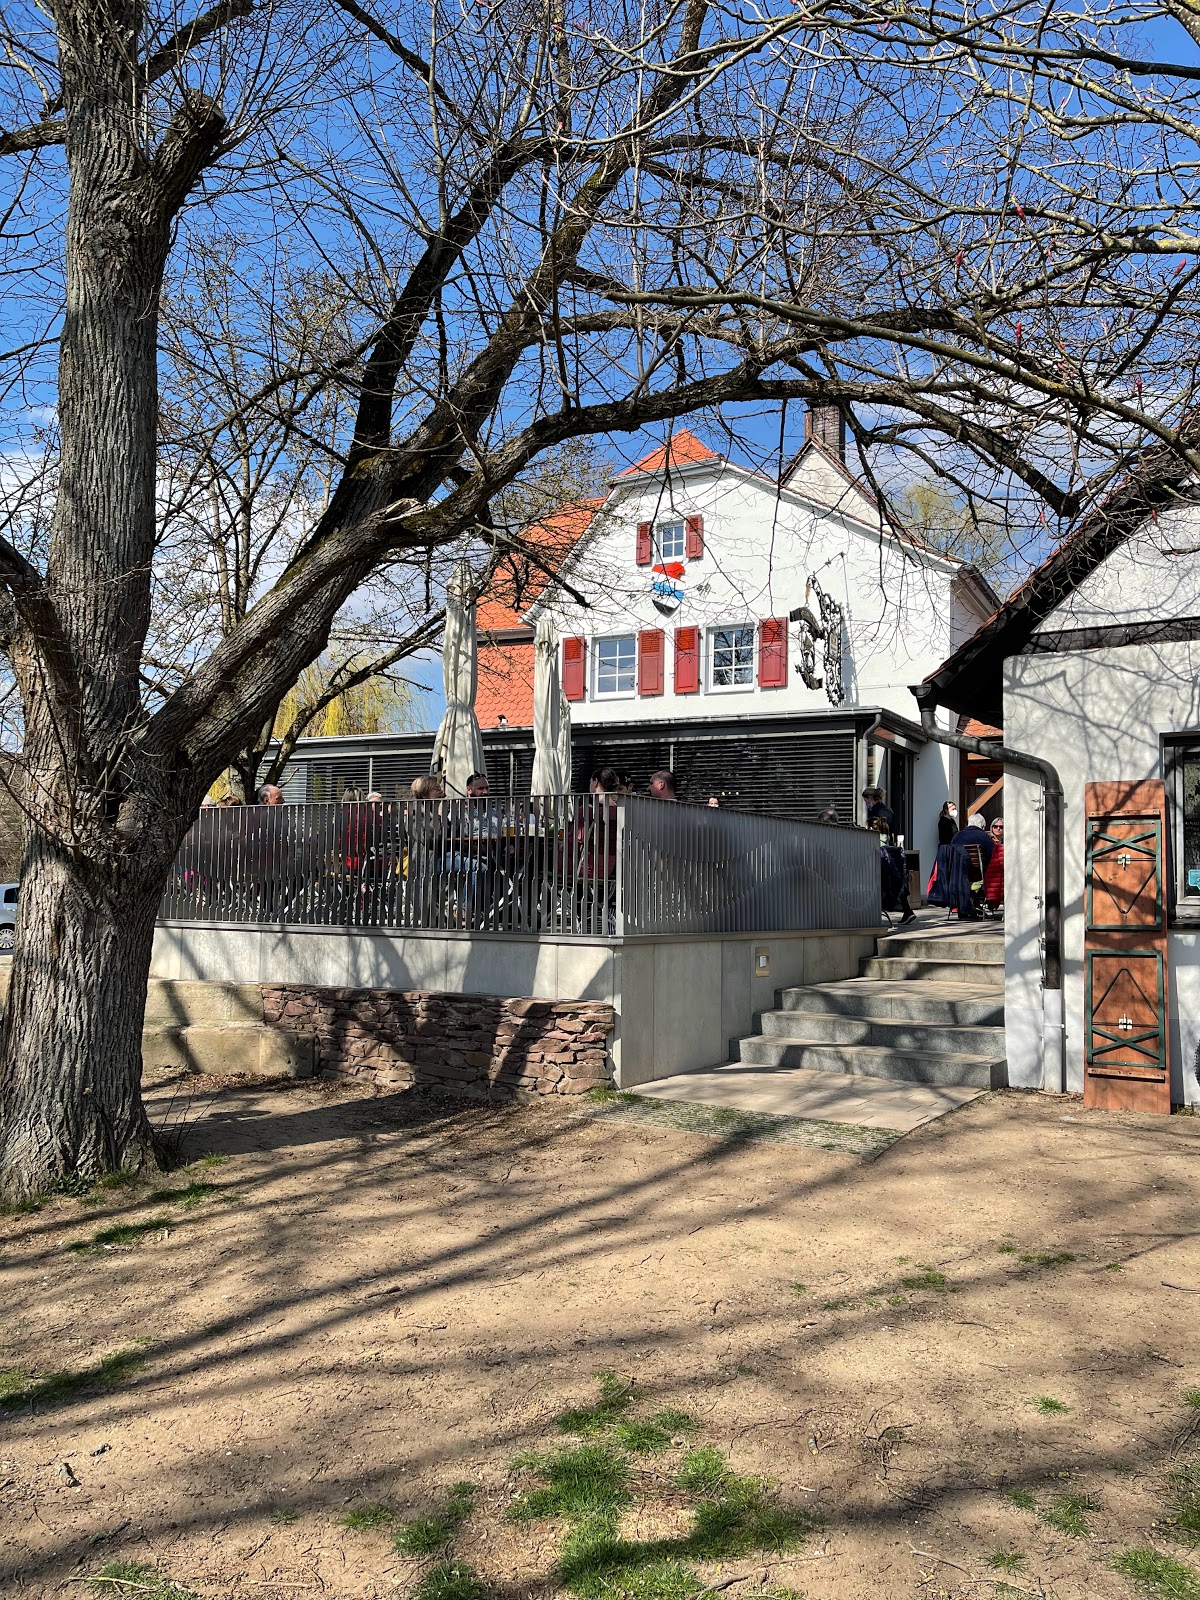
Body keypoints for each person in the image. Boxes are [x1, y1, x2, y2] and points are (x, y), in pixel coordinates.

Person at [872, 817, 916, 924]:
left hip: (880, 879)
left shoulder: (875, 844)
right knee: (896, 883)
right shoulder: (889, 844)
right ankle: (907, 911)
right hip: (893, 878)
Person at [982, 816, 1005, 910]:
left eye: (1001, 827)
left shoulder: (1007, 841)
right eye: (995, 826)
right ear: (992, 827)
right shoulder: (988, 841)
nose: (998, 828)